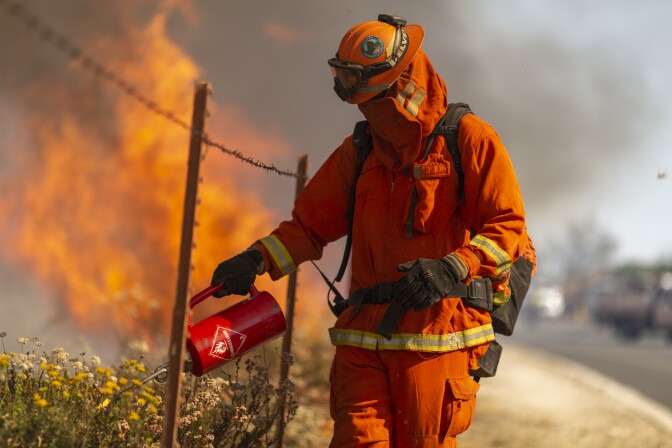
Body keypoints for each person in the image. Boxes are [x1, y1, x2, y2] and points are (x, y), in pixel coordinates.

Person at [211, 14, 532, 448]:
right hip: (363, 340)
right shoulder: (359, 152)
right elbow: (308, 227)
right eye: (361, 103)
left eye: (372, 100)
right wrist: (255, 259)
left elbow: (507, 227)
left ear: (403, 89)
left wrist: (451, 268)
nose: (366, 112)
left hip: (436, 340)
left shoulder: (470, 140)